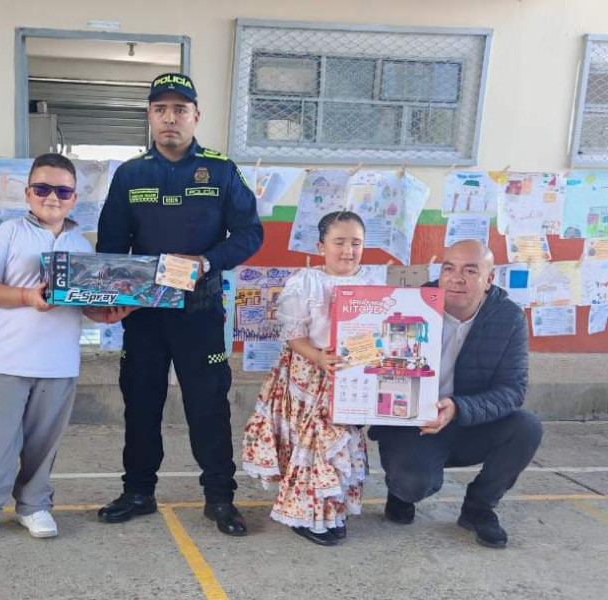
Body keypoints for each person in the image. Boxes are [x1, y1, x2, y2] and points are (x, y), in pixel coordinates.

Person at [95, 73, 264, 536]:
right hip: (144, 314)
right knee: (141, 405)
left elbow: (251, 234)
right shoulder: (130, 175)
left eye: (180, 109)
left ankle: (219, 498)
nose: (170, 117)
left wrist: (208, 262)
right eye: (160, 109)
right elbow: (112, 244)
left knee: (208, 406)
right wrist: (113, 296)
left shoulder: (221, 170)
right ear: (150, 116)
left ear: (195, 116)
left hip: (200, 313)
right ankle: (138, 492)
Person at [0, 154, 113, 546]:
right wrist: (25, 295)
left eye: (62, 190)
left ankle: (34, 505)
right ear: (28, 193)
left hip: (59, 363)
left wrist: (110, 312)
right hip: (5, 358)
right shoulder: (6, 234)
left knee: (43, 444)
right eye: (42, 188)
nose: (52, 197)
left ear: (75, 198)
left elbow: (88, 304)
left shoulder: (80, 245)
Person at [370, 240, 543, 549]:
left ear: (489, 279)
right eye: (448, 268)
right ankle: (400, 491)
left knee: (527, 427)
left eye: (470, 270)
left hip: (468, 420)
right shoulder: (409, 306)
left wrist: (458, 408)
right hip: (415, 422)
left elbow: (513, 390)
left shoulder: (508, 319)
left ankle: (479, 508)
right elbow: (375, 366)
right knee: (413, 485)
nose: (456, 278)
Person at [242, 211, 376, 546]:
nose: (348, 250)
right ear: (321, 246)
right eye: (339, 242)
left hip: (349, 380)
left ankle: (332, 511)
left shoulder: (371, 283)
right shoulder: (305, 282)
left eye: (355, 243)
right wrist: (319, 357)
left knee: (340, 446)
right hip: (309, 375)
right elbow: (293, 334)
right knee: (313, 447)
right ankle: (306, 514)